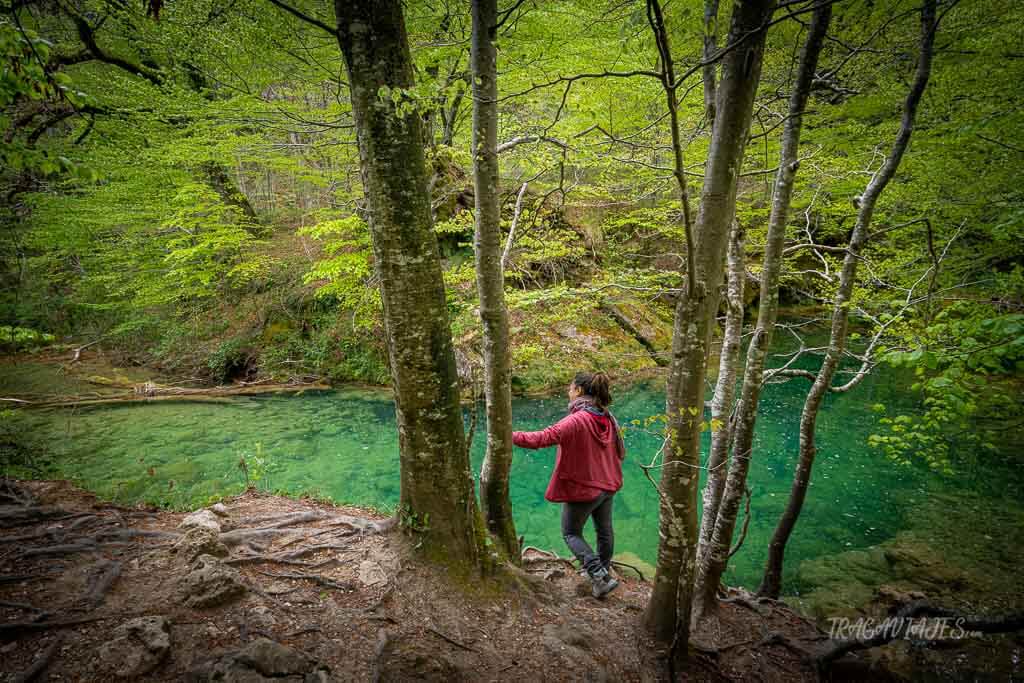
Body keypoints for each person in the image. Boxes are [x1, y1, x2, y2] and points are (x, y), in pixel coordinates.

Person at [512, 371, 626, 599]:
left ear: (580, 391)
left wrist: (509, 434)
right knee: (604, 531)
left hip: (586, 489)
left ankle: (598, 574)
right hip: (609, 484)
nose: (568, 391)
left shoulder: (578, 419)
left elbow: (542, 438)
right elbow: (619, 451)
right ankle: (603, 576)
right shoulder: (606, 416)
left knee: (571, 532)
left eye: (571, 388)